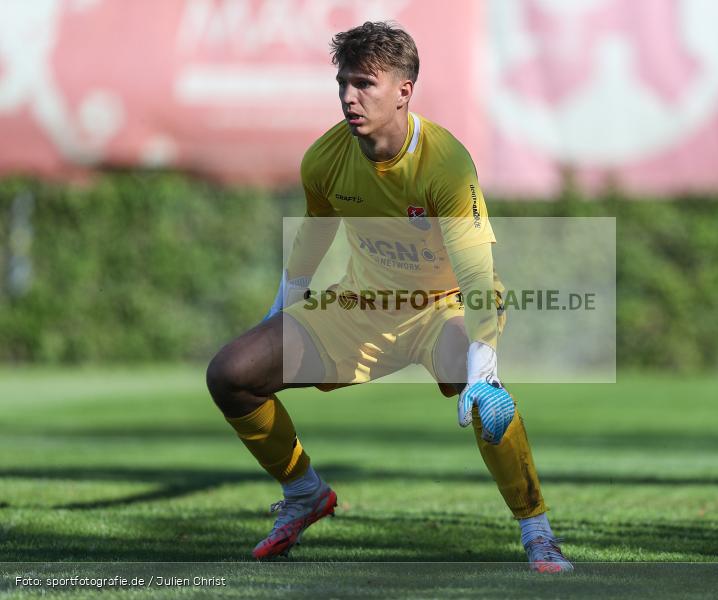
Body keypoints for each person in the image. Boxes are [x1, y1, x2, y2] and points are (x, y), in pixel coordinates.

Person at [205, 21, 572, 573]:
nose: (349, 98)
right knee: (231, 372)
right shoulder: (325, 159)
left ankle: (537, 532)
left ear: (404, 91)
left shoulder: (446, 163)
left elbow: (476, 271)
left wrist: (485, 366)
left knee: (479, 396)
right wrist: (280, 310)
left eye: (364, 84)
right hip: (361, 308)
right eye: (342, 83)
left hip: (444, 307)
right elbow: (314, 234)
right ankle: (305, 494)